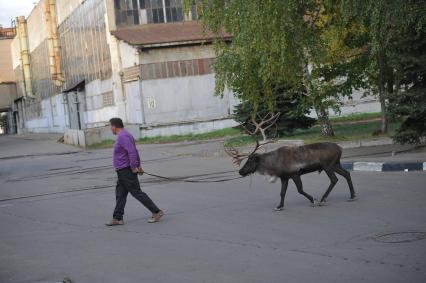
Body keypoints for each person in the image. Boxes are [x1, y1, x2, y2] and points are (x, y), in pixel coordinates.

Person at [106, 117, 164, 226]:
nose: (110, 129)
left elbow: (132, 152)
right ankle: (117, 218)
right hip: (122, 171)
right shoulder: (124, 135)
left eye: (110, 126)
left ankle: (156, 212)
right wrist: (138, 165)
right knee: (120, 194)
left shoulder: (123, 136)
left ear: (114, 126)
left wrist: (134, 166)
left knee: (137, 192)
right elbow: (134, 151)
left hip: (126, 170)